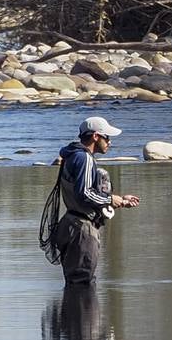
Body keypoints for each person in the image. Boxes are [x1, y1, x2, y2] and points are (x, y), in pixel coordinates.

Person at [44, 116, 139, 285]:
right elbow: (85, 193)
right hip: (82, 231)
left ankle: (73, 311)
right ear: (96, 136)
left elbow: (82, 194)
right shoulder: (85, 158)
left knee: (76, 284)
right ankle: (81, 312)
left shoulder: (72, 155)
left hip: (70, 224)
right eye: (107, 137)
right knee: (82, 283)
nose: (110, 142)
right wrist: (110, 198)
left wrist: (121, 200)